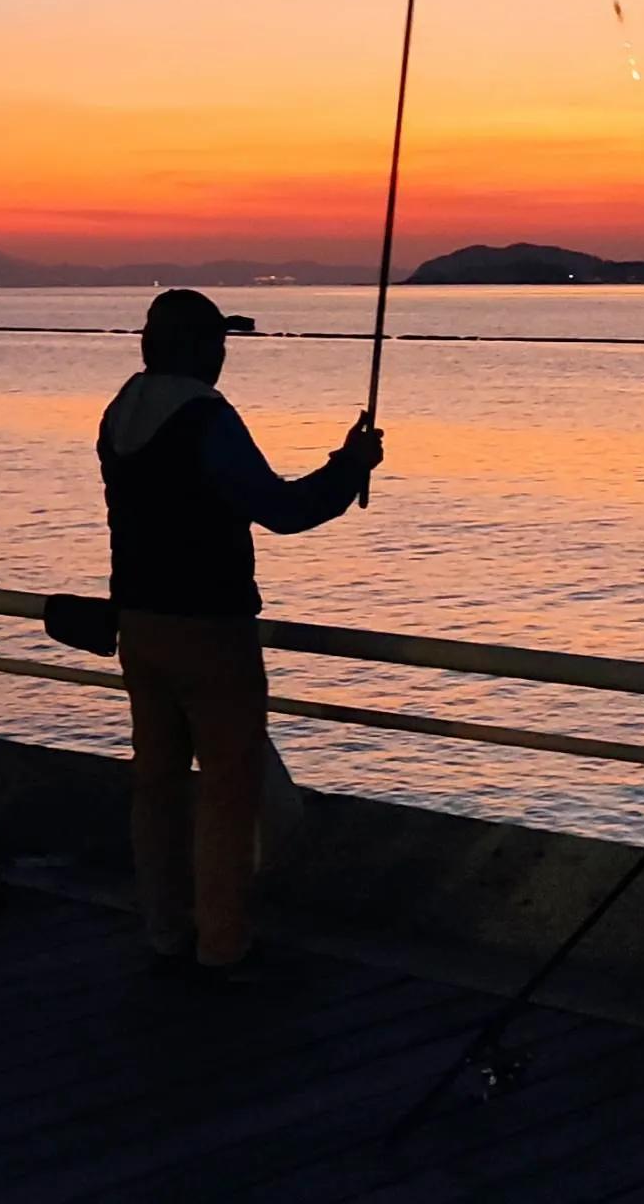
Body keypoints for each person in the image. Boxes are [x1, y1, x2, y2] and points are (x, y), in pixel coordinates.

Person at [99, 288, 380, 978]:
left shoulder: (120, 411)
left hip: (138, 623)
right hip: (210, 628)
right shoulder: (205, 417)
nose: (223, 355)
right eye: (218, 343)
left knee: (156, 784)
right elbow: (281, 509)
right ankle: (222, 946)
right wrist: (349, 467)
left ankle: (165, 930)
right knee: (228, 789)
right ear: (198, 349)